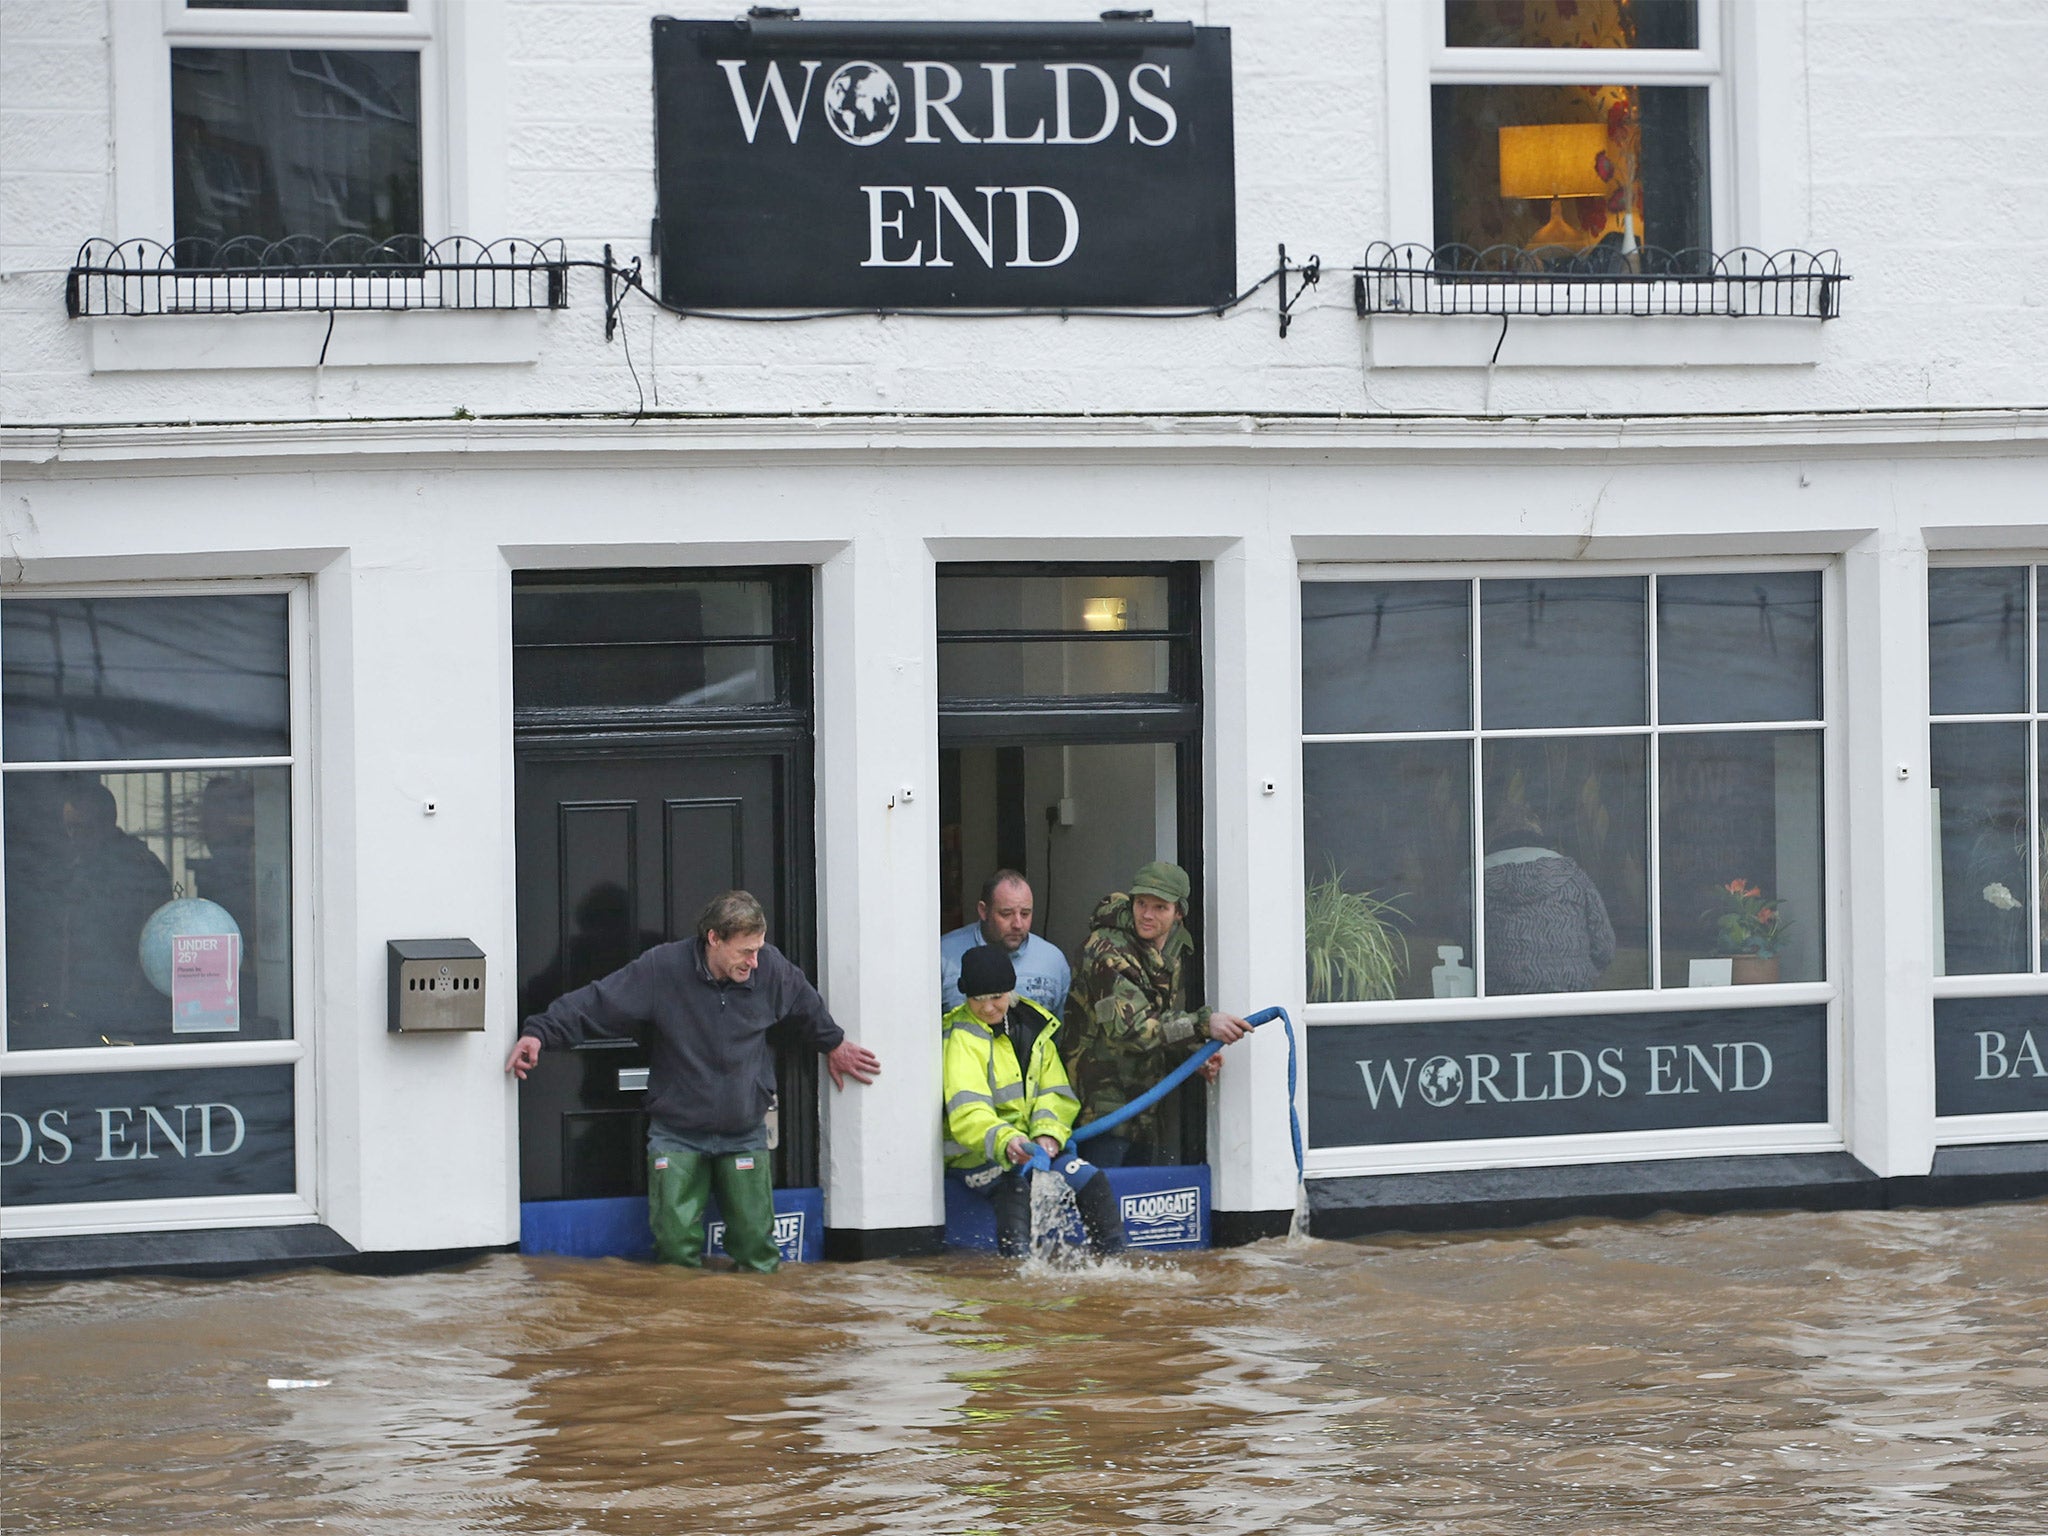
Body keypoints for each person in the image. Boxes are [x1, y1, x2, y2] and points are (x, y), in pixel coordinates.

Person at [505, 889, 880, 1273]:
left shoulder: (772, 969)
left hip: (744, 1131)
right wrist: (540, 1033)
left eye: (758, 949)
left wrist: (834, 1044)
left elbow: (806, 1008)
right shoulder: (663, 968)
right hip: (677, 1132)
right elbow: (597, 1001)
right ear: (713, 938)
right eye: (745, 951)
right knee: (674, 1253)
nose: (755, 961)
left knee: (758, 1253)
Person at [1062, 860, 1249, 1168]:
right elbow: (1133, 1030)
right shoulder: (1105, 950)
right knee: (1103, 1206)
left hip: (1145, 1107)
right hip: (1100, 1110)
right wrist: (1204, 1024)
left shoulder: (1172, 949)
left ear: (1179, 912)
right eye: (1141, 903)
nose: (1147, 915)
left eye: (1160, 907)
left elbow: (1161, 1017)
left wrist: (1192, 1054)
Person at [943, 944, 1121, 1258]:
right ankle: (1018, 1279)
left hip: (1036, 1148)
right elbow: (968, 1110)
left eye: (996, 997)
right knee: (1014, 1189)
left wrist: (1049, 1134)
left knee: (1093, 1180)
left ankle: (1114, 1267)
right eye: (978, 999)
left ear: (1010, 992)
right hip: (979, 1155)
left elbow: (1055, 1094)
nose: (988, 1008)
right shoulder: (959, 1037)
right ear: (966, 997)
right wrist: (1007, 1141)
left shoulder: (1035, 1029)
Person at [1481, 805, 1615, 995]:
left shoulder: (1474, 882)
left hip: (1501, 999)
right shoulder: (1575, 877)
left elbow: (1466, 948)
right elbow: (1604, 947)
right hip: (1572, 996)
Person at [939, 869, 1070, 1014]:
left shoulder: (1053, 961)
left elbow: (1060, 1030)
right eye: (1006, 914)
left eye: (1025, 914)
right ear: (983, 911)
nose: (1018, 924)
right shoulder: (944, 956)